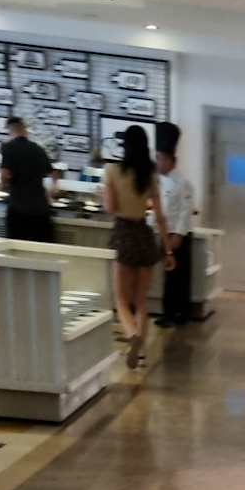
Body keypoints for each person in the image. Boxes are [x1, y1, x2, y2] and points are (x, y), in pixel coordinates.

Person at [102, 124, 175, 369]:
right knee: (141, 300)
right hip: (144, 235)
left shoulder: (112, 171)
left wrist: (105, 193)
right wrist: (168, 250)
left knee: (122, 300)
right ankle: (141, 352)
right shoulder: (150, 175)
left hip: (123, 234)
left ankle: (132, 334)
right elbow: (161, 216)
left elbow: (110, 208)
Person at [153, 122, 195, 328]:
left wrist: (178, 234)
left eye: (161, 158)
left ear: (171, 160)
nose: (158, 162)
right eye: (157, 158)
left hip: (178, 235)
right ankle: (168, 313)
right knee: (168, 276)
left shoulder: (183, 183)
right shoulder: (156, 181)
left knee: (179, 276)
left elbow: (186, 210)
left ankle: (181, 314)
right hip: (163, 233)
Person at [0, 117, 56, 242]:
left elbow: (4, 174)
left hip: (18, 208)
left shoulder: (8, 147)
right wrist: (52, 190)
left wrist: (3, 186)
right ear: (25, 130)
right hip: (40, 208)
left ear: (10, 131)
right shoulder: (38, 149)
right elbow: (54, 174)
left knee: (15, 246)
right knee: (41, 247)